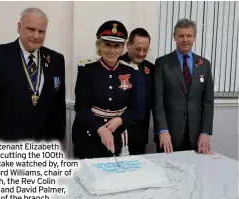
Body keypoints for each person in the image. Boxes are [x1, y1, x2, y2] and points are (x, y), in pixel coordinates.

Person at [0, 8, 66, 141]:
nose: (36, 36)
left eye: (41, 31)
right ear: (19, 27)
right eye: (31, 29)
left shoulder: (56, 59)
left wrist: (58, 142)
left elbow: (59, 106)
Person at [72, 20, 139, 159]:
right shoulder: (87, 70)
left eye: (117, 46)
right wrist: (101, 129)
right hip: (88, 134)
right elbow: (81, 108)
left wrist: (120, 120)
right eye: (107, 45)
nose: (112, 50)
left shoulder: (131, 71)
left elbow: (134, 108)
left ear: (122, 49)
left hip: (118, 134)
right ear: (100, 46)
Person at [153, 18, 214, 154]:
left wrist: (205, 132)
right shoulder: (162, 63)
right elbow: (157, 101)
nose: (185, 39)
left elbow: (208, 102)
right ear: (175, 37)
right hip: (169, 135)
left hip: (196, 135)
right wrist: (162, 130)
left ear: (194, 37)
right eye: (181, 36)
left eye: (189, 36)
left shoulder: (204, 64)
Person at [119, 28, 155, 155]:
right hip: (120, 131)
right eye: (138, 49)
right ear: (129, 46)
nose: (141, 53)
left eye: (145, 50)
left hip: (141, 132)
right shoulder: (117, 64)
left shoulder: (150, 69)